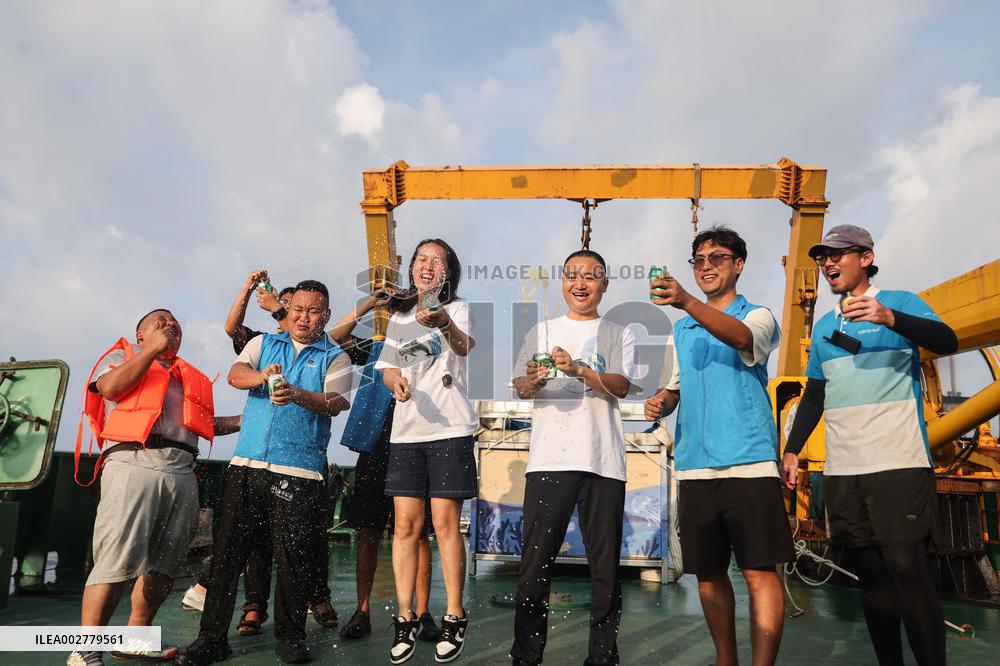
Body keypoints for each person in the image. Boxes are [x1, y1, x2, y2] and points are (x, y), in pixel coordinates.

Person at [781, 224, 957, 666]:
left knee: (906, 570)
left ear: (865, 257)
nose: (828, 263)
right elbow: (815, 394)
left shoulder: (899, 303)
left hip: (897, 463)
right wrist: (792, 449)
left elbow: (947, 341)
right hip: (844, 470)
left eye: (839, 254)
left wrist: (889, 319)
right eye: (824, 257)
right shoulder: (824, 327)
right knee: (873, 578)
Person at [177, 280, 352, 665]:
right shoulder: (263, 344)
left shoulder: (336, 357)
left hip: (300, 471)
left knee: (293, 558)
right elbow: (235, 373)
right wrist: (260, 378)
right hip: (246, 466)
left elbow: (336, 402)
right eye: (298, 309)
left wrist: (297, 394)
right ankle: (212, 639)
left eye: (314, 311)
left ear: (325, 316)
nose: (304, 317)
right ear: (287, 311)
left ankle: (290, 639)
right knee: (227, 555)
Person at [645, 226, 793, 666]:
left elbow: (742, 340)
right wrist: (661, 401)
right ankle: (725, 660)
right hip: (695, 468)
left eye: (717, 258)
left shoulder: (759, 315)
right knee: (708, 575)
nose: (706, 266)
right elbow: (674, 391)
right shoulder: (683, 331)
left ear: (739, 265)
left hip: (749, 464)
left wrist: (686, 299)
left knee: (758, 571)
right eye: (699, 260)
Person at [69, 310, 241, 666]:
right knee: (116, 559)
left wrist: (247, 419)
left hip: (182, 471)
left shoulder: (187, 375)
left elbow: (206, 424)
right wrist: (150, 352)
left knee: (165, 563)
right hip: (134, 463)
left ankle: (135, 638)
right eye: (160, 322)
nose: (170, 325)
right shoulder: (125, 356)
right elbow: (110, 388)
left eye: (175, 324)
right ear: (140, 334)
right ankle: (85, 650)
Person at [509, 249, 638, 666]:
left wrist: (579, 369)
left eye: (591, 276)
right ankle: (526, 656)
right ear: (563, 281)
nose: (580, 284)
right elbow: (519, 387)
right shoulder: (541, 331)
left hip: (604, 464)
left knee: (605, 571)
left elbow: (620, 385)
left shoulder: (620, 332)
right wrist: (532, 380)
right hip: (548, 462)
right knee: (534, 568)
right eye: (572, 276)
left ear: (605, 284)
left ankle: (602, 657)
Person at [375, 239, 477, 664]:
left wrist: (442, 323)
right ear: (413, 269)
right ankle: (406, 618)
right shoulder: (398, 317)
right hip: (407, 434)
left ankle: (454, 614)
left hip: (450, 429)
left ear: (448, 272)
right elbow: (388, 369)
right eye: (421, 259)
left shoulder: (458, 310)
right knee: (404, 527)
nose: (427, 266)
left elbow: (464, 345)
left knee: (445, 523)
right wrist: (395, 382)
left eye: (437, 261)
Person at [182, 270, 294, 635]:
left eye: (303, 308)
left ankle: (253, 607)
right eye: (288, 305)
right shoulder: (262, 344)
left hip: (293, 455)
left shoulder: (320, 349)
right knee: (246, 535)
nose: (295, 313)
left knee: (270, 539)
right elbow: (233, 330)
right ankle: (234, 607)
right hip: (255, 453)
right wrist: (247, 289)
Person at [328, 292, 441, 643]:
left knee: (419, 533)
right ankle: (362, 610)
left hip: (419, 446)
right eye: (396, 312)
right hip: (377, 448)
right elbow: (336, 338)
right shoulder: (376, 347)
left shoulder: (435, 345)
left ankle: (422, 613)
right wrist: (367, 304)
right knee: (368, 531)